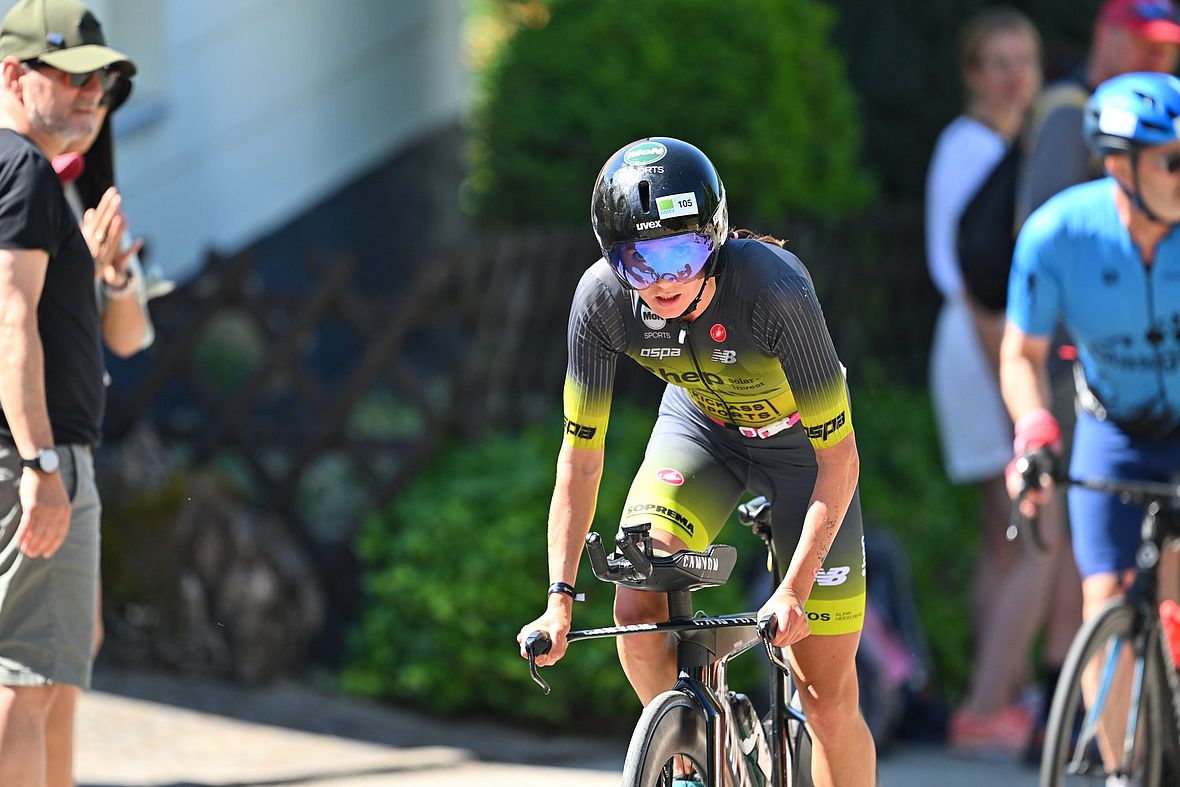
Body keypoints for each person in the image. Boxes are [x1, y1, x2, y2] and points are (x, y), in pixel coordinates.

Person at [517, 137, 875, 787]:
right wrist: (559, 599)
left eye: (681, 253)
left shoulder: (774, 289)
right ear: (610, 259)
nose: (663, 281)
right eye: (638, 261)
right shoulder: (600, 301)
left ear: (715, 239)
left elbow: (839, 458)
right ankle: (689, 755)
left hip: (802, 453)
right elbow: (581, 457)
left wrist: (793, 588)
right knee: (635, 598)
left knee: (825, 695)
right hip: (703, 429)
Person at [1001, 71, 1180, 748]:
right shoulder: (1059, 234)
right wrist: (1035, 430)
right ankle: (1117, 766)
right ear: (1120, 165)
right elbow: (1021, 353)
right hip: (1113, 428)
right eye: (1174, 161)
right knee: (1101, 597)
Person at [924, 7, 1070, 759]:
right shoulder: (970, 147)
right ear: (973, 75)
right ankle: (988, 703)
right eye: (999, 62)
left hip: (989, 342)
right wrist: (1019, 387)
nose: (1016, 76)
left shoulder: (1010, 145)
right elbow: (972, 277)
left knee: (1003, 537)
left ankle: (997, 693)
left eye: (1026, 61)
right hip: (983, 345)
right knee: (1032, 531)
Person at [0, 0, 135, 784]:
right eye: (73, 76)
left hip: (31, 459)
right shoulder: (21, 170)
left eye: (103, 82)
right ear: (15, 75)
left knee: (44, 677)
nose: (92, 96)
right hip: (31, 463)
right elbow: (11, 321)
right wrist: (42, 462)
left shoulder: (25, 173)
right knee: (27, 684)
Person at [1016, 0, 1180, 226]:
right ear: (1104, 35)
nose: (1157, 58)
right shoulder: (1070, 111)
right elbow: (1053, 234)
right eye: (1144, 43)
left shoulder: (1170, 118)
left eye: (1168, 48)